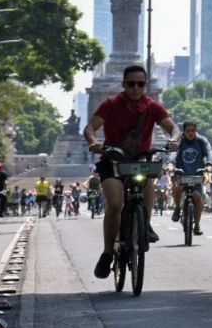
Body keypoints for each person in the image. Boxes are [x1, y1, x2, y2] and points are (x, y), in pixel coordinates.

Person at [84, 64, 180, 280]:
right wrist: (94, 142)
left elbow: (173, 128)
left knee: (149, 182)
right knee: (116, 204)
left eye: (140, 84)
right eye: (131, 84)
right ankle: (108, 253)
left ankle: (145, 224)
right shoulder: (111, 105)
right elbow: (90, 127)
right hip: (113, 159)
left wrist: (173, 141)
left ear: (146, 85)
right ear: (124, 85)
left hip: (140, 159)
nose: (136, 88)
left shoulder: (152, 107)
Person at [170, 121, 212, 236]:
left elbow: (209, 152)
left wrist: (209, 165)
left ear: (196, 131)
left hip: (196, 174)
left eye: (193, 131)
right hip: (181, 173)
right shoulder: (180, 141)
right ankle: (177, 207)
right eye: (188, 131)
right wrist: (170, 164)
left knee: (198, 197)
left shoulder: (202, 141)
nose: (191, 133)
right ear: (184, 132)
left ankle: (197, 224)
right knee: (177, 187)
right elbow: (173, 153)